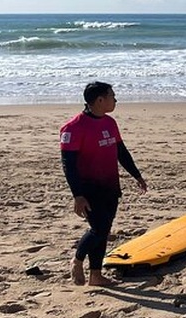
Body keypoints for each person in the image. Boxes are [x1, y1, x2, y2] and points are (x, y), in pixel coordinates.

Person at [60, 81, 148, 286]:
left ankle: (96, 276)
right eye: (112, 95)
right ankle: (77, 259)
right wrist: (77, 195)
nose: (115, 99)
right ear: (100, 100)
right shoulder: (73, 127)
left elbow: (121, 152)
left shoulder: (110, 123)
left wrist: (137, 175)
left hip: (110, 185)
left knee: (104, 229)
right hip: (88, 188)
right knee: (98, 229)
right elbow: (68, 165)